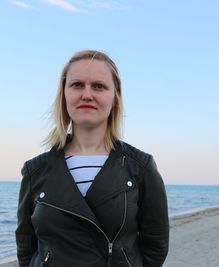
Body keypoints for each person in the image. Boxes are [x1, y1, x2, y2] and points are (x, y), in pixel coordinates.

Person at [15, 50, 169, 267]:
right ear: (64, 94)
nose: (87, 94)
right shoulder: (35, 170)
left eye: (99, 86)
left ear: (115, 97)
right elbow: (26, 245)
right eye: (77, 85)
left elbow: (156, 245)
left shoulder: (140, 167)